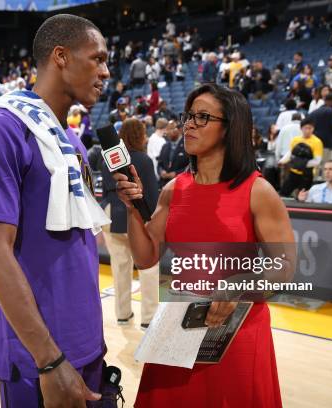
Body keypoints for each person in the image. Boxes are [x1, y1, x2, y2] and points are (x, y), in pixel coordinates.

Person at [113, 83, 294, 407]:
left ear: (230, 128)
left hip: (236, 332)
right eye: (189, 116)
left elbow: (285, 267)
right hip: (179, 324)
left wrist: (238, 286)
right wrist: (131, 209)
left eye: (202, 117)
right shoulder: (174, 189)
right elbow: (146, 257)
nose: (189, 124)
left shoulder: (258, 191)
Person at [0, 14, 111, 408]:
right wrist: (50, 361)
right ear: (60, 56)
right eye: (97, 58)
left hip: (85, 344)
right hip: (40, 359)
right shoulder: (0, 127)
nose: (106, 71)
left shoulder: (71, 141)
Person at [101, 119, 159, 329]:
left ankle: (123, 315)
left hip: (109, 214)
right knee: (148, 268)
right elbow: (151, 195)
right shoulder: (143, 160)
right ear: (139, 135)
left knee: (120, 268)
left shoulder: (108, 158)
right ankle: (149, 318)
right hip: (134, 216)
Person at [279, 118, 324, 196]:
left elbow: (317, 161)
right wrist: (282, 161)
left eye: (310, 128)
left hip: (307, 174)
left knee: (302, 197)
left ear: (313, 129)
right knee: (283, 193)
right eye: (305, 128)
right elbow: (290, 153)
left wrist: (301, 164)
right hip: (293, 172)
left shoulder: (317, 142)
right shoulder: (296, 140)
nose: (307, 130)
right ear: (301, 128)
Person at [157, 119, 189, 188]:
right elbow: (160, 163)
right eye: (167, 129)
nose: (167, 132)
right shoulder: (165, 146)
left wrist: (176, 174)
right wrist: (161, 171)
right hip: (164, 185)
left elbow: (191, 166)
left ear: (179, 130)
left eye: (170, 129)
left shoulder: (187, 145)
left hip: (181, 185)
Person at [309, 94, 332, 160]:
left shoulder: (313, 113)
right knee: (327, 165)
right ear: (331, 102)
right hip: (328, 143)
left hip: (315, 142)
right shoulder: (331, 111)